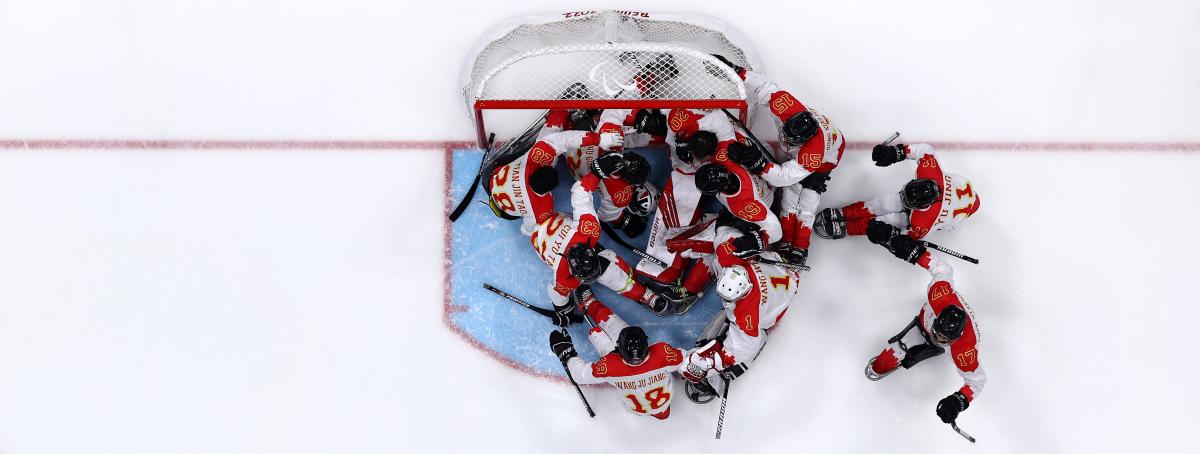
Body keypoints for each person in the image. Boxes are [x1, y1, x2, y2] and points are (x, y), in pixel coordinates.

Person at [713, 55, 845, 265]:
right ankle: (786, 240)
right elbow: (765, 86)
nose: (784, 140)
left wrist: (759, 164)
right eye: (785, 135)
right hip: (805, 150)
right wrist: (736, 71)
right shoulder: (788, 107)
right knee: (790, 197)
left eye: (791, 141)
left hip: (829, 156)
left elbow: (784, 178)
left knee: (805, 197)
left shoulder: (814, 153)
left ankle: (800, 246)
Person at [864, 234, 987, 426]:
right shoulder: (940, 294)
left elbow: (977, 381)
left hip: (933, 327)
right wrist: (912, 251)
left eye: (944, 340)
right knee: (891, 356)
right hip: (924, 320)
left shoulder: (965, 350)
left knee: (896, 353)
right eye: (937, 333)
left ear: (957, 338)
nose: (938, 338)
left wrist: (958, 401)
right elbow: (942, 268)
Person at [531, 170, 671, 322]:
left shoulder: (587, 231)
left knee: (606, 265)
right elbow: (557, 292)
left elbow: (580, 193)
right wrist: (562, 308)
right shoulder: (564, 276)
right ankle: (636, 289)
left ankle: (635, 288)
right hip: (548, 230)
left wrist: (598, 170)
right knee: (608, 265)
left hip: (555, 226)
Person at [676, 236, 803, 402]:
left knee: (753, 335)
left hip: (780, 298)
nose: (724, 301)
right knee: (732, 317)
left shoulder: (747, 313)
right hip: (780, 268)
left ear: (744, 291)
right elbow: (724, 242)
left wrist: (716, 364)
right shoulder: (734, 263)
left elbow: (745, 348)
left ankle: (723, 374)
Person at [548, 287, 684, 419]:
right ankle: (595, 324)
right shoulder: (662, 354)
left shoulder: (612, 366)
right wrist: (566, 353)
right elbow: (686, 359)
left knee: (599, 334)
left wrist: (566, 353)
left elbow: (581, 375)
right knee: (599, 338)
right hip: (637, 406)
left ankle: (590, 304)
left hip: (623, 382)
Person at [815, 142, 981, 242]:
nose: (903, 199)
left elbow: (910, 236)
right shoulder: (929, 171)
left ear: (922, 207)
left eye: (908, 202)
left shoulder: (925, 221)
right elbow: (923, 149)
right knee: (883, 203)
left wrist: (887, 233)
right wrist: (895, 153)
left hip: (948, 216)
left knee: (886, 221)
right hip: (955, 191)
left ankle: (849, 227)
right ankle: (845, 215)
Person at [486, 130, 623, 236]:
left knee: (541, 144)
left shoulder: (534, 160)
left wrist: (598, 139)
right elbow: (528, 230)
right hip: (502, 199)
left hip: (492, 178)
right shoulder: (542, 207)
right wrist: (599, 139)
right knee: (545, 142)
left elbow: (527, 230)